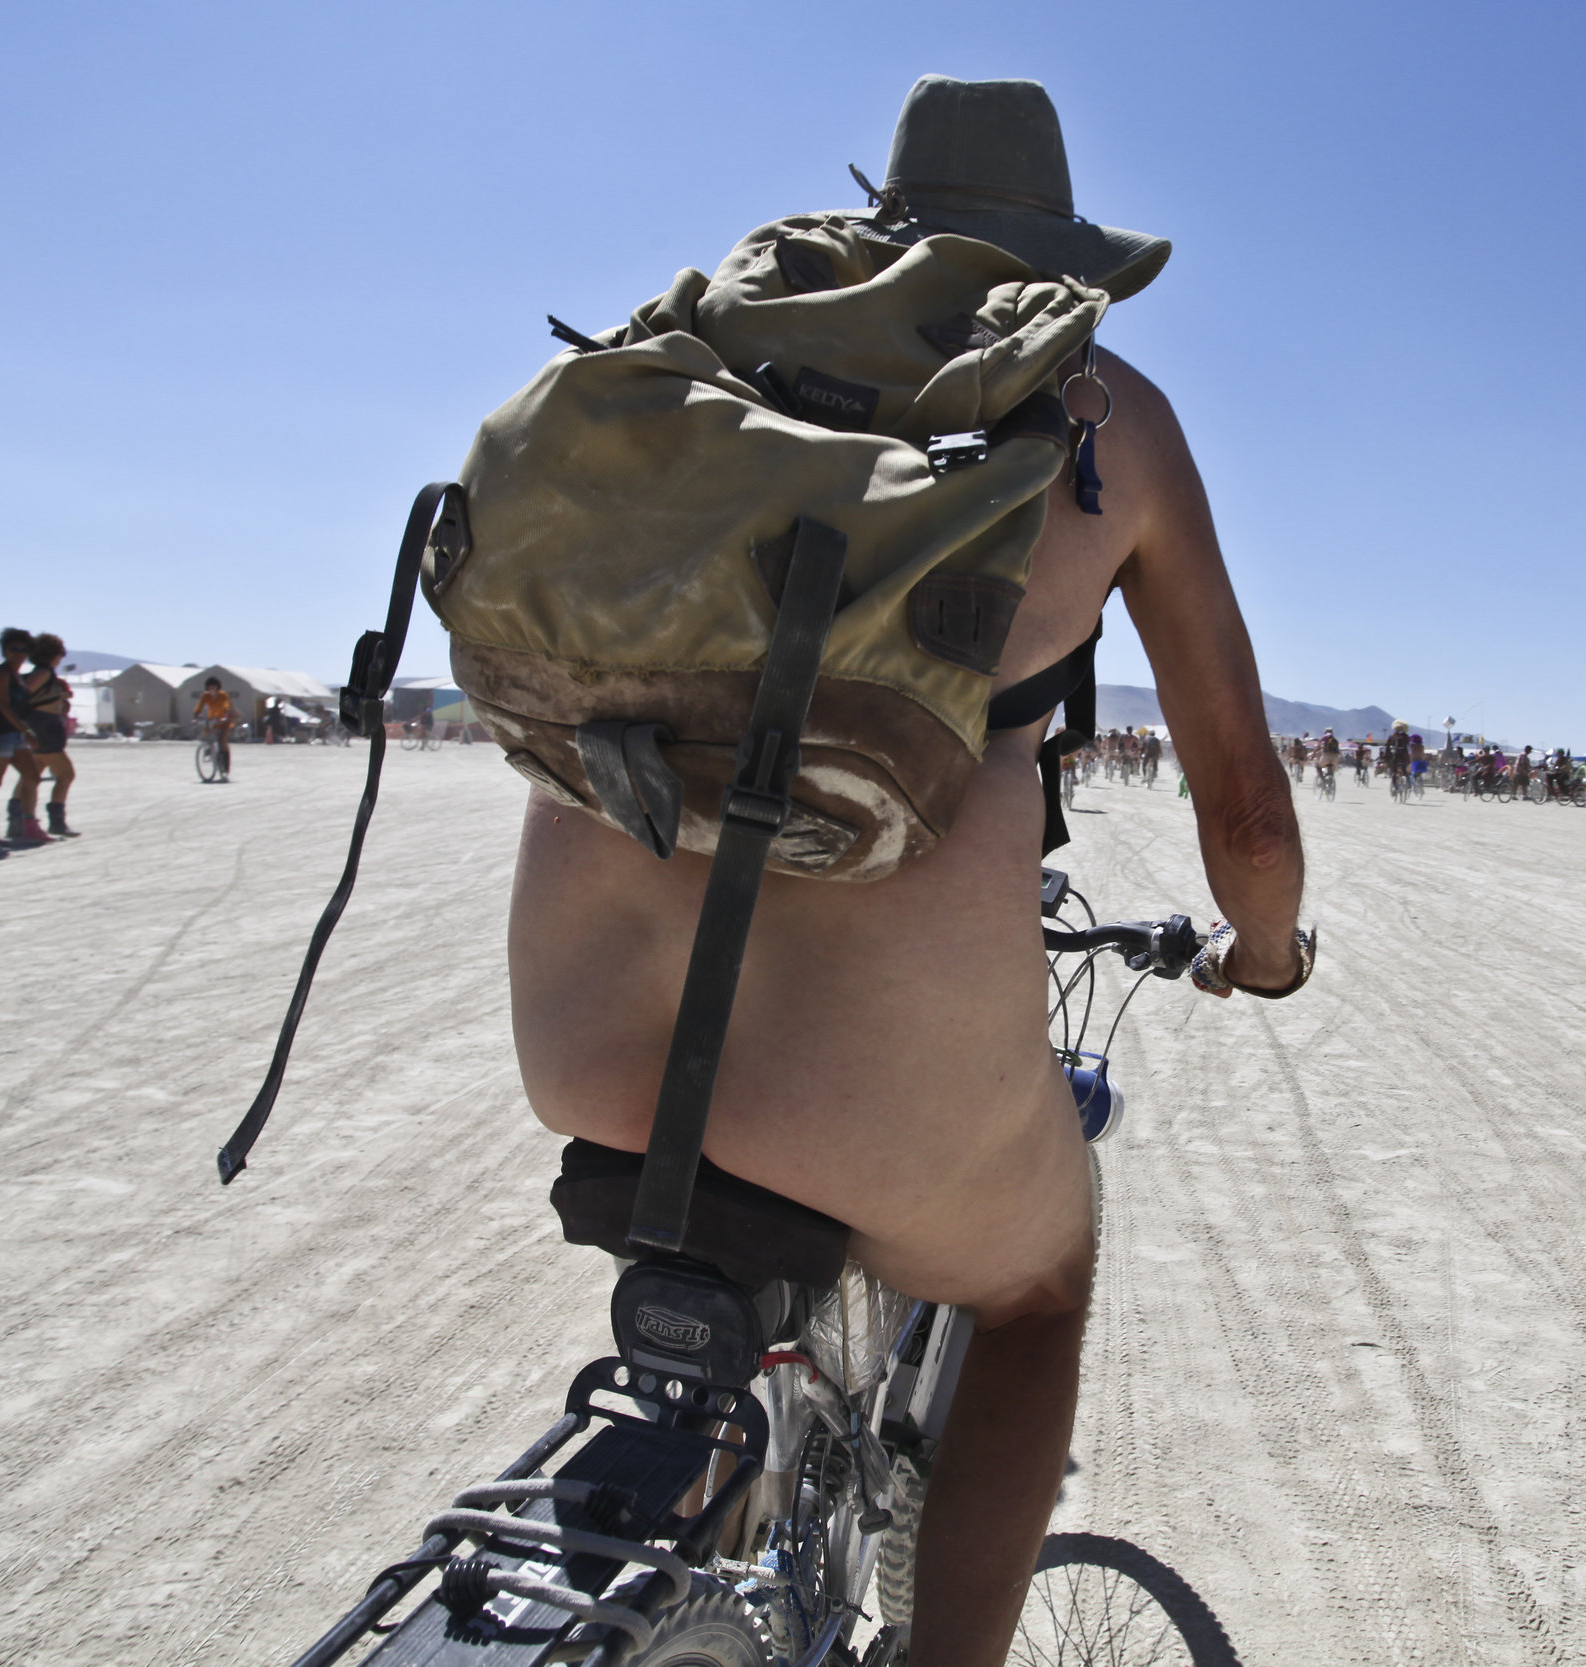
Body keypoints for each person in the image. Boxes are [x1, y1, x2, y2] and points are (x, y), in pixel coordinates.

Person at [504, 76, 1306, 1667]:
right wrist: (1264, 952)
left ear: (884, 212)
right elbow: (1252, 824)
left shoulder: (716, 351)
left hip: (579, 1030)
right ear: (1060, 251)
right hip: (874, 1083)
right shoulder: (1102, 410)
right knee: (1033, 1291)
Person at [0, 627, 45, 851]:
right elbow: (3, 706)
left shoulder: (16, 676)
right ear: (5, 650)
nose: (19, 653)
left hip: (13, 734)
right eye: (14, 649)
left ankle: (29, 824)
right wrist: (26, 730)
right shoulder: (0, 674)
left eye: (24, 649)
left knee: (32, 777)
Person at [18, 633, 80, 837]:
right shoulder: (43, 673)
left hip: (40, 727)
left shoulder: (44, 674)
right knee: (66, 774)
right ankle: (56, 822)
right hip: (43, 729)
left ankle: (18, 821)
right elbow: (23, 695)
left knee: (31, 776)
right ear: (53, 655)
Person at [192, 677, 235, 776]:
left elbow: (227, 706)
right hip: (212, 720)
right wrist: (195, 717)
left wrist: (225, 717)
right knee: (206, 733)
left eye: (213, 686)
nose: (211, 688)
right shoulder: (205, 696)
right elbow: (199, 706)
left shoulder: (223, 695)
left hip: (224, 721)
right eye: (209, 686)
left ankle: (225, 767)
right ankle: (208, 748)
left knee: (222, 742)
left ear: (217, 687)